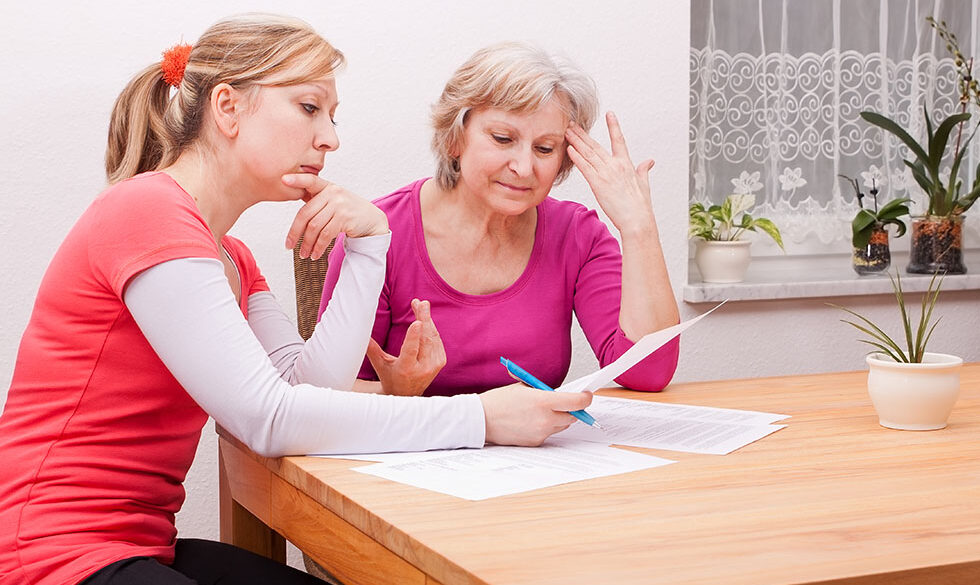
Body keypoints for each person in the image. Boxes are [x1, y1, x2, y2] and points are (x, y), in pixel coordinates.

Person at [0, 15, 592, 585]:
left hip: (134, 545)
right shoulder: (147, 212)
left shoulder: (230, 257)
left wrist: (370, 248)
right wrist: (481, 418)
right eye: (310, 108)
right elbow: (269, 420)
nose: (330, 138)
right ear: (227, 108)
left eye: (332, 116)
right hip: (49, 555)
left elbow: (307, 390)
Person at [319, 42, 681, 397]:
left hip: (534, 454)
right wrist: (463, 414)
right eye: (503, 138)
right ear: (454, 138)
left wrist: (638, 227)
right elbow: (327, 392)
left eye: (544, 148)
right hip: (409, 451)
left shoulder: (577, 236)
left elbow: (647, 371)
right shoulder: (378, 236)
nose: (524, 168)